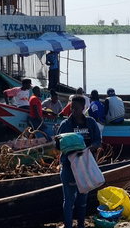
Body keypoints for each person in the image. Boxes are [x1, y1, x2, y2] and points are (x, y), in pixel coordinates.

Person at [56, 95, 102, 228]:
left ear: (83, 108)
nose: (73, 110)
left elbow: (98, 140)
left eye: (76, 108)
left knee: (82, 200)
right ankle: (68, 226)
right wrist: (66, 145)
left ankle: (81, 225)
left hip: (86, 167)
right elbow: (56, 144)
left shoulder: (91, 123)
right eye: (71, 107)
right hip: (69, 167)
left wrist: (91, 147)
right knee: (69, 201)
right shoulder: (65, 124)